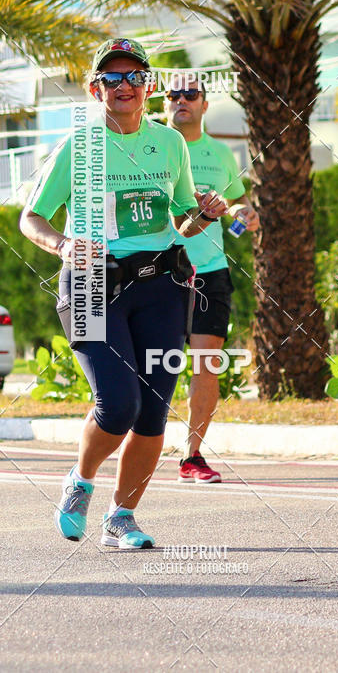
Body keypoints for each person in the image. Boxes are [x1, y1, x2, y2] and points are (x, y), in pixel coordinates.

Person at [20, 38, 227, 548]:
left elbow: (182, 220)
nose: (125, 86)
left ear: (148, 86)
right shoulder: (79, 147)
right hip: (92, 284)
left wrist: (205, 213)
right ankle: (80, 480)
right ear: (96, 90)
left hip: (159, 284)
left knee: (154, 409)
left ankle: (122, 517)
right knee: (117, 404)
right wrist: (64, 245)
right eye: (112, 79)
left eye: (134, 77)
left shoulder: (170, 143)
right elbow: (31, 218)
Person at [164, 73, 259, 483]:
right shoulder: (150, 146)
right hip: (155, 270)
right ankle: (138, 440)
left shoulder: (220, 154)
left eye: (190, 94)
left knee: (205, 364)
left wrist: (242, 211)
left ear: (204, 104)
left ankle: (192, 455)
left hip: (210, 273)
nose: (181, 100)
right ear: (163, 102)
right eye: (173, 94)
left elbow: (236, 198)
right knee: (149, 367)